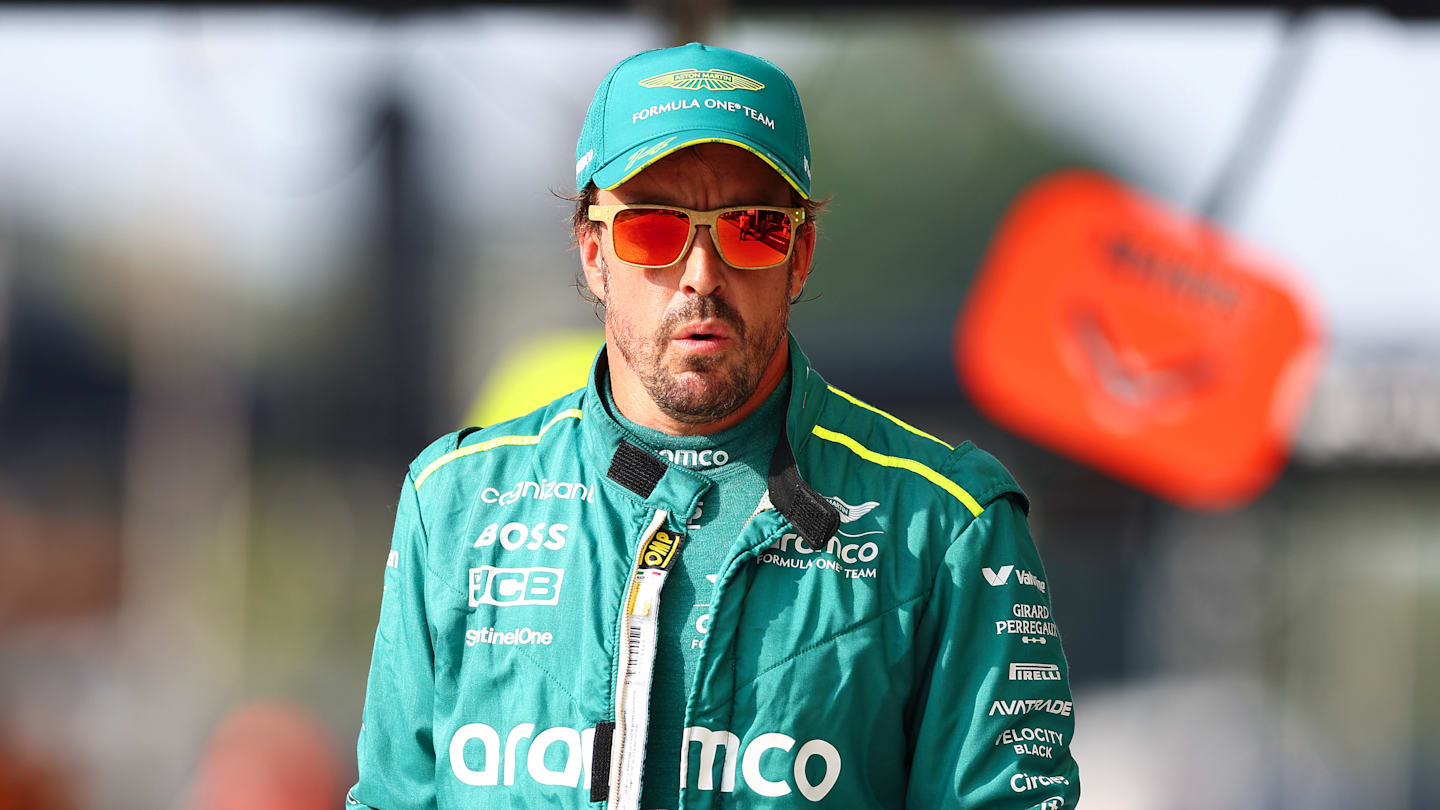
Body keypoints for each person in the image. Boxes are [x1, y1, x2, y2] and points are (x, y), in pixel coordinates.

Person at [346, 42, 1080, 810]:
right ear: (594, 254)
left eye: (752, 227)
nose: (702, 273)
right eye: (655, 229)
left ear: (799, 257)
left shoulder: (948, 526)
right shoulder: (453, 503)